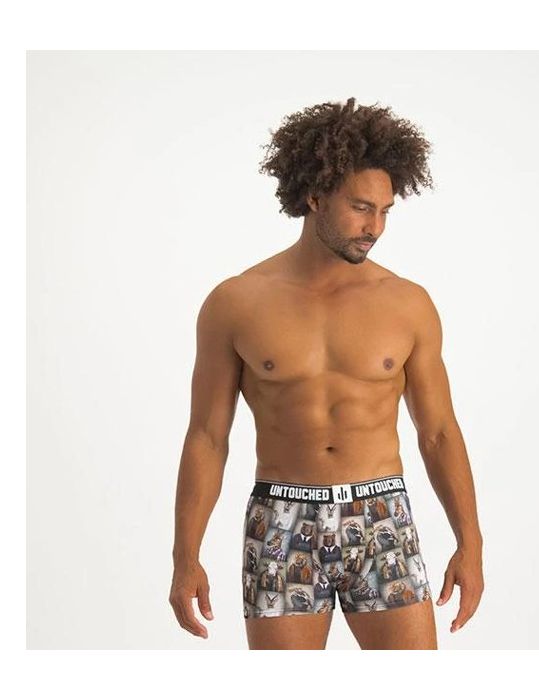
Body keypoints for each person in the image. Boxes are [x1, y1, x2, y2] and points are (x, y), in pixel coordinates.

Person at [168, 97, 484, 650]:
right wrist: (184, 557)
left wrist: (471, 543)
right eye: (361, 207)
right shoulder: (236, 302)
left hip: (381, 515)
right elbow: (208, 437)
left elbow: (437, 432)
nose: (375, 227)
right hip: (280, 519)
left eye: (385, 211)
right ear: (314, 197)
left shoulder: (407, 304)